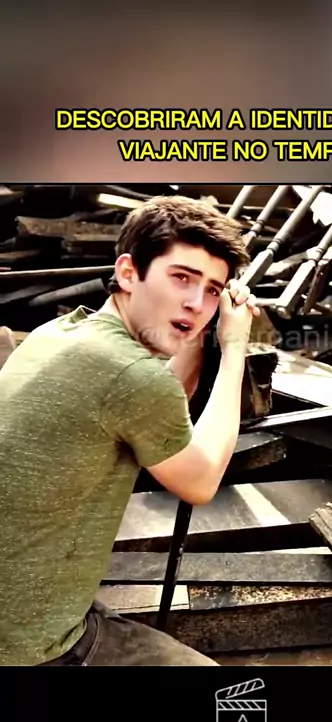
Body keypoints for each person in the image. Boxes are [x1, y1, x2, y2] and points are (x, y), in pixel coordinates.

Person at [0, 194, 259, 666]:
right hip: (31, 641)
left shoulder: (59, 334)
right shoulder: (130, 377)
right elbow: (200, 480)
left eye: (213, 290)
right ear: (127, 272)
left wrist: (193, 332)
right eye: (181, 278)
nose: (196, 303)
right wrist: (235, 346)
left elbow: (163, 396)